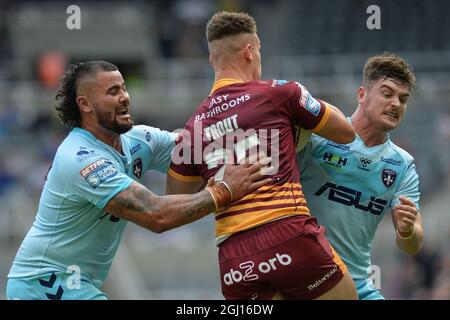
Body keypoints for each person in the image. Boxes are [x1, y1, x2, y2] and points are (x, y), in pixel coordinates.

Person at [6, 61, 271, 300]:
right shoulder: (80, 158)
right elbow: (156, 215)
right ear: (84, 104)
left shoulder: (139, 139)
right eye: (112, 92)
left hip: (76, 283)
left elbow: (198, 153)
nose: (124, 98)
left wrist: (267, 139)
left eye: (123, 88)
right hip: (41, 282)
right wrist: (224, 191)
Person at [166, 11, 358, 300]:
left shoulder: (193, 126)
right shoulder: (281, 93)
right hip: (288, 233)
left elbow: (174, 203)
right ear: (250, 51)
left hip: (233, 258)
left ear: (212, 61)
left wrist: (218, 187)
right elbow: (345, 132)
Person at [297, 53, 424, 300]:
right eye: (387, 94)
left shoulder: (402, 165)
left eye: (403, 98)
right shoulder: (318, 139)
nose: (396, 104)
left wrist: (408, 230)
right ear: (362, 94)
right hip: (304, 281)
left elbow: (412, 245)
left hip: (356, 285)